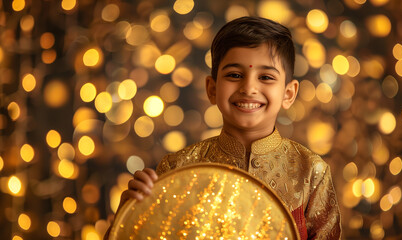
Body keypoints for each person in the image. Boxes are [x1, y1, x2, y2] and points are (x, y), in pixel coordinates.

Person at [115, 16, 341, 239]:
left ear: (288, 93)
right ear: (212, 89)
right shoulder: (178, 169)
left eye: (265, 77)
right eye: (235, 75)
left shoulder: (311, 172)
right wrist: (131, 214)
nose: (249, 87)